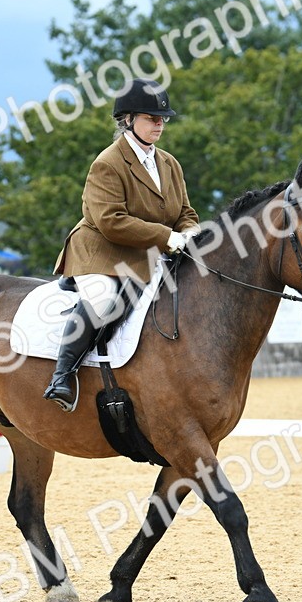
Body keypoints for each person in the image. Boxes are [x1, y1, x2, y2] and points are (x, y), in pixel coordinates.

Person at [43, 77, 201, 411]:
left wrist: (190, 232)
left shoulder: (169, 164)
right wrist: (166, 237)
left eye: (162, 119)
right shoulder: (108, 163)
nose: (159, 124)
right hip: (102, 251)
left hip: (148, 252)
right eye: (151, 118)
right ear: (128, 120)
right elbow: (111, 221)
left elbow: (184, 212)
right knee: (103, 299)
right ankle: (62, 376)